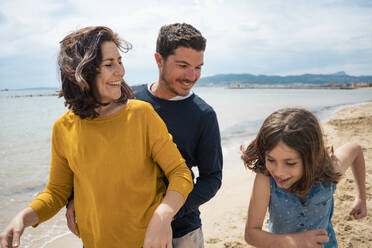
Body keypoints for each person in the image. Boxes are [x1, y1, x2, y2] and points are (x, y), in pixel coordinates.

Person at [0, 26, 193, 248]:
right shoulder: (63, 128)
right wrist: (22, 218)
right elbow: (56, 193)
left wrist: (163, 215)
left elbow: (180, 173)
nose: (120, 71)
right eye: (109, 64)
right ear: (83, 73)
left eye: (119, 61)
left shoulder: (141, 114)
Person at [66, 23, 223, 248]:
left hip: (182, 232)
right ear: (159, 60)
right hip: (122, 228)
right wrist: (74, 196)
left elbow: (212, 178)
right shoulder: (127, 98)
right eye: (183, 65)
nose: (192, 75)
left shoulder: (204, 115)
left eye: (199, 67)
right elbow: (90, 150)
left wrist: (167, 214)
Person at [241, 108, 367, 248]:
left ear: (311, 158)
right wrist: (294, 242)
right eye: (271, 160)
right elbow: (251, 234)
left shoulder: (329, 172)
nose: (278, 172)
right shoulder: (265, 179)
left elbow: (355, 149)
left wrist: (361, 197)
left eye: (290, 163)